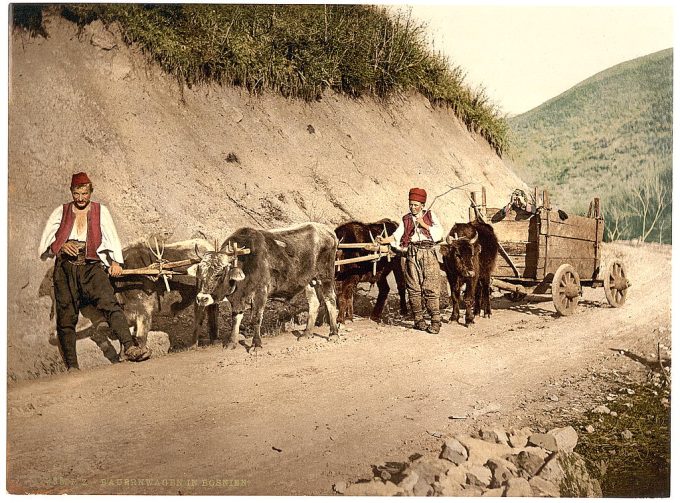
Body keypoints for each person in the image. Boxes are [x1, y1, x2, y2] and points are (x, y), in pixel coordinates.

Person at [39, 172, 151, 370]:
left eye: (84, 193)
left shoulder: (101, 211)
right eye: (76, 193)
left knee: (110, 304)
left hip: (91, 266)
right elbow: (46, 240)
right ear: (71, 192)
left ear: (91, 191)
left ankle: (130, 348)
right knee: (66, 316)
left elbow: (111, 237)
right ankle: (72, 366)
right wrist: (61, 244)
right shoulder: (61, 212)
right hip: (65, 269)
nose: (81, 198)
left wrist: (116, 262)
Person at [380, 187, 444, 334]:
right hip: (412, 253)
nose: (413, 207)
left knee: (430, 286)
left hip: (428, 253)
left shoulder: (430, 215)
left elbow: (439, 234)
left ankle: (435, 321)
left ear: (422, 205)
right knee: (413, 287)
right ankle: (419, 320)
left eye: (416, 205)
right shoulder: (406, 219)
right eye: (411, 204)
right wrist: (384, 240)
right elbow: (397, 236)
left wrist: (424, 225)